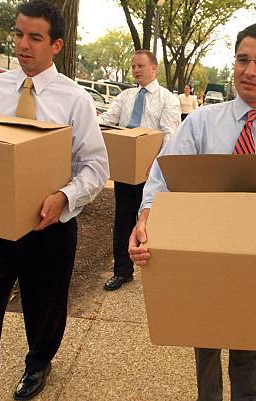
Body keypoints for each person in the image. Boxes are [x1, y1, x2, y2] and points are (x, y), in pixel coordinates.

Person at [128, 22, 256, 401]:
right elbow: (163, 177)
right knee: (205, 368)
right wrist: (146, 219)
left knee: (251, 383)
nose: (249, 71)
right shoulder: (201, 125)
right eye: (242, 59)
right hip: (205, 269)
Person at [0, 1, 109, 400]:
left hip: (49, 231)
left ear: (56, 45)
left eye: (35, 38)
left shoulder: (75, 100)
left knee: (44, 311)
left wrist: (65, 196)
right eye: (19, 34)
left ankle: (38, 362)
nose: (23, 44)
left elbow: (95, 167)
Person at [100, 50, 180, 291]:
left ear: (154, 68)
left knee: (153, 224)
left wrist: (155, 164)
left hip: (152, 173)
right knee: (123, 220)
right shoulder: (125, 97)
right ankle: (122, 272)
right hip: (126, 170)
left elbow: (171, 135)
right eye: (133, 66)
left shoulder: (168, 99)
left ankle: (158, 272)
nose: (136, 70)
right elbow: (108, 119)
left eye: (141, 66)